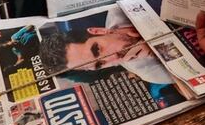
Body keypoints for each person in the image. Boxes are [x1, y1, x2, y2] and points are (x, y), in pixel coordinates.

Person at [37, 11, 172, 86]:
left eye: (97, 49)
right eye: (100, 64)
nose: (114, 58)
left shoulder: (119, 8)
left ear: (98, 31)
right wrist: (160, 48)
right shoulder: (148, 71)